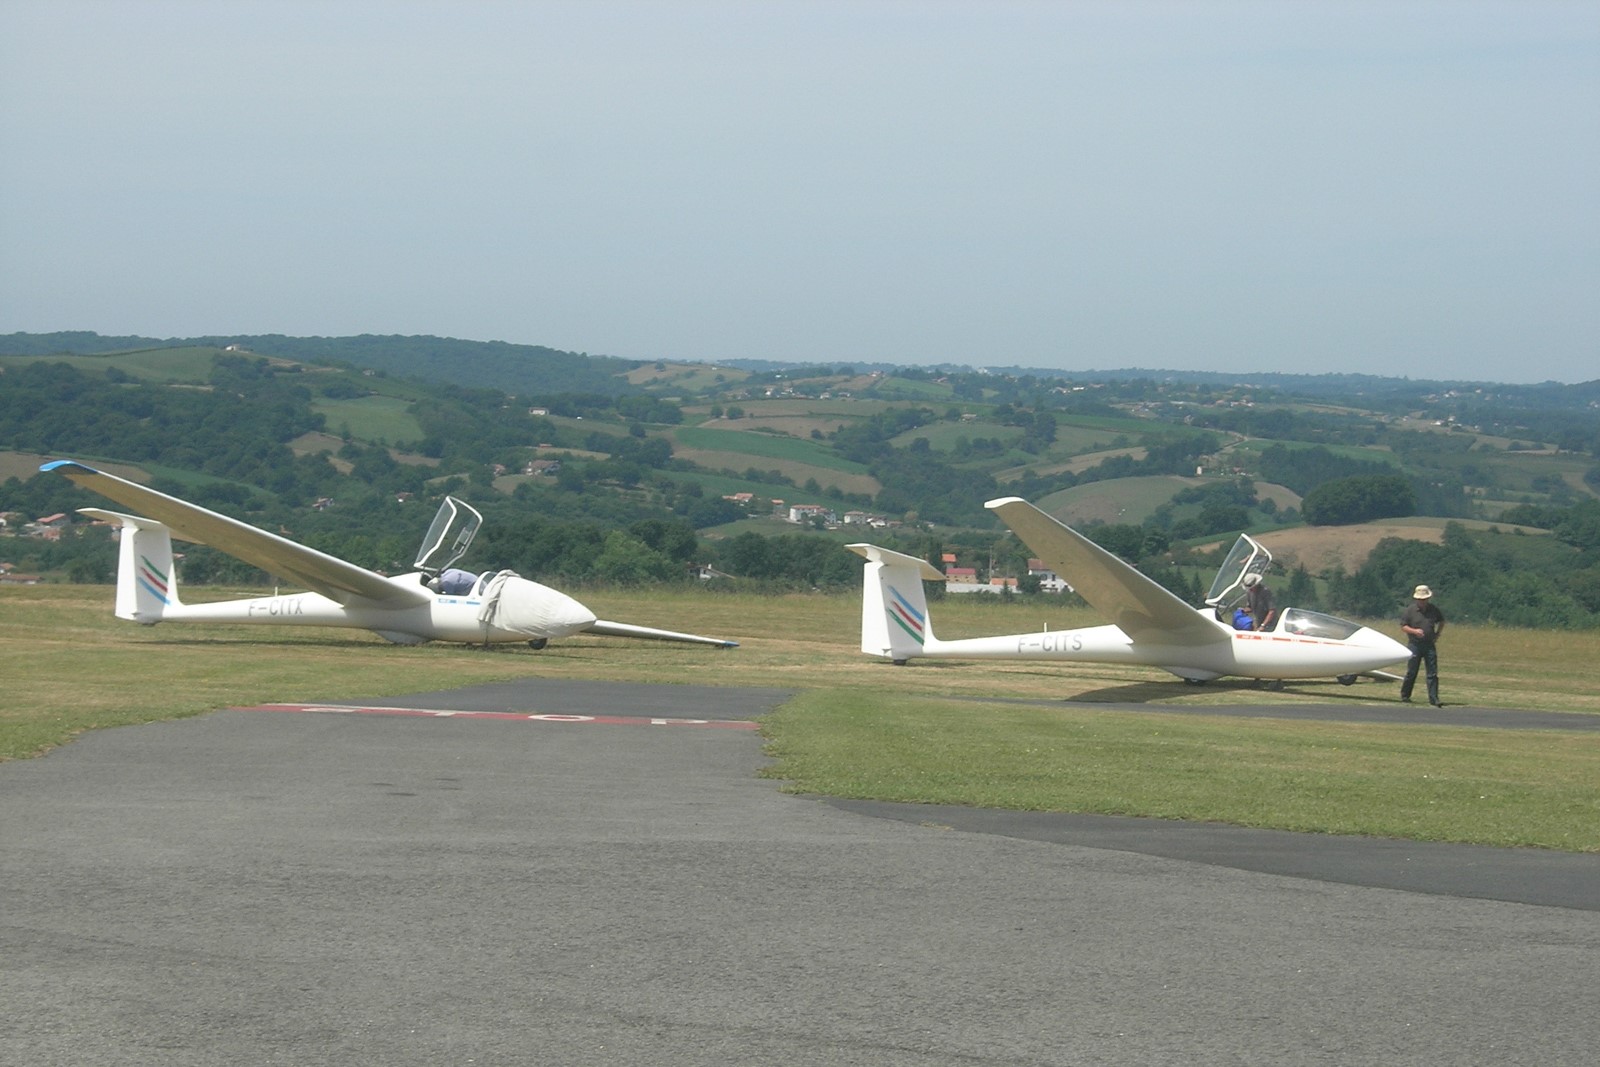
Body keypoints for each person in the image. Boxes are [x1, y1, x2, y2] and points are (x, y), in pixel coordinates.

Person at [1399, 584, 1446, 707]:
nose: (1422, 602)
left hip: (1429, 644)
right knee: (1412, 671)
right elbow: (1403, 626)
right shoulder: (1410, 610)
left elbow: (1442, 621)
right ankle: (1405, 695)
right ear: (1416, 599)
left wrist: (1437, 634)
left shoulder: (1434, 610)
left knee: (1432, 673)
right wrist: (1414, 631)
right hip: (1415, 644)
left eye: (1424, 599)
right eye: (1420, 599)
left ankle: (1434, 698)